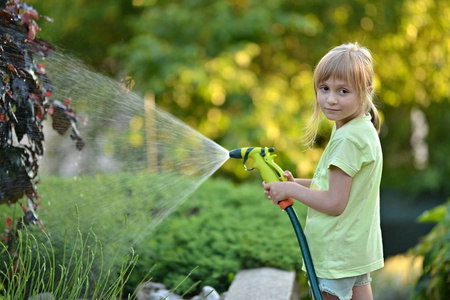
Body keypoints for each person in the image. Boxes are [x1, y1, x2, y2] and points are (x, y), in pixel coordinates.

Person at [263, 42, 384, 300]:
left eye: (343, 91)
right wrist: (297, 184)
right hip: (354, 248)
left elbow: (334, 203)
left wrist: (290, 190)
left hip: (336, 253)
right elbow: (336, 187)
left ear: (366, 92)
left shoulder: (347, 139)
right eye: (324, 88)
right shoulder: (360, 129)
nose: (331, 99)